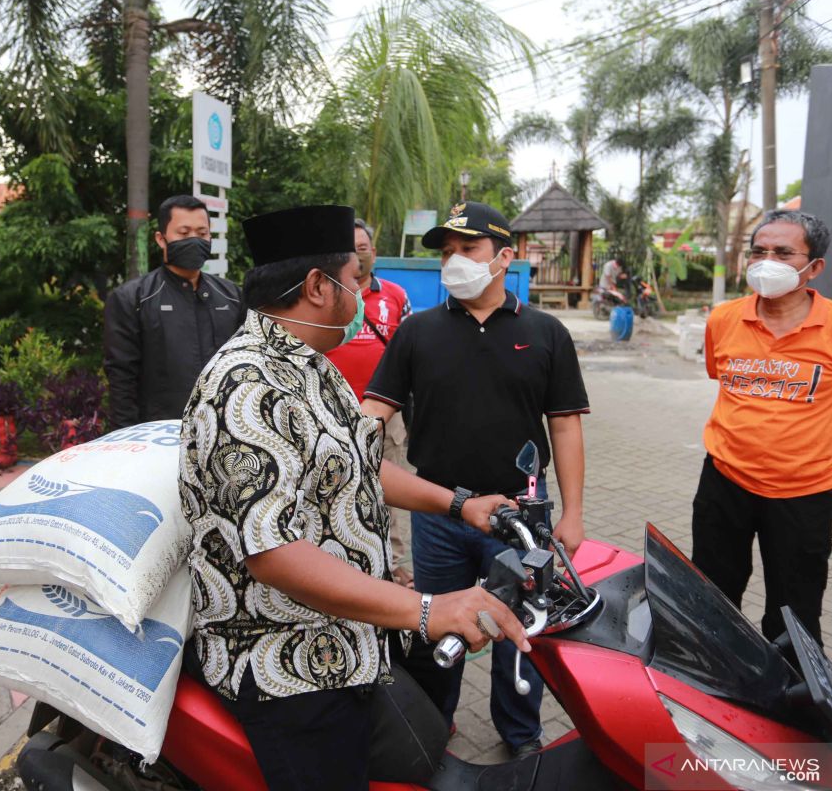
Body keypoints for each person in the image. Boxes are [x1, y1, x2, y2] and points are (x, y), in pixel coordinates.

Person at [179, 205, 530, 791]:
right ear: (319, 287)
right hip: (289, 668)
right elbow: (274, 553)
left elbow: (362, 462)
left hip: (349, 634)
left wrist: (460, 503)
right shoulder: (244, 386)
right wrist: (427, 610)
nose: (364, 291)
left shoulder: (312, 367)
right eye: (355, 277)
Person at [361, 201, 590, 757]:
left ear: (505, 257)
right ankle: (434, 728)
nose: (454, 261)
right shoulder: (417, 332)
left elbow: (564, 427)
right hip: (440, 512)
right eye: (446, 252)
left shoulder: (545, 332)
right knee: (438, 625)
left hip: (521, 522)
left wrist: (574, 513)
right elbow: (375, 410)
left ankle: (520, 734)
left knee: (520, 630)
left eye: (468, 249)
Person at [692, 209, 832, 646]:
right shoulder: (723, 320)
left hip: (804, 493)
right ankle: (717, 686)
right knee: (712, 597)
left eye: (783, 252)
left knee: (794, 613)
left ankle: (791, 700)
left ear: (815, 267)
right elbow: (724, 380)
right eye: (758, 251)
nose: (766, 261)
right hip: (724, 482)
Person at [325, 218, 414, 585]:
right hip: (330, 411)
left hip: (385, 415)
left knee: (389, 491)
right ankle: (337, 563)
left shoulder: (395, 296)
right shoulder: (326, 294)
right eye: (351, 250)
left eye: (363, 248)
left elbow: (409, 356)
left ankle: (393, 566)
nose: (358, 255)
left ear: (373, 253)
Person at [104, 195, 244, 429]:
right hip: (161, 435)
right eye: (184, 232)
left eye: (202, 233)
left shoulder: (232, 296)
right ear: (161, 239)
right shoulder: (133, 298)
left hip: (224, 431)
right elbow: (121, 380)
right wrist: (126, 437)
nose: (194, 240)